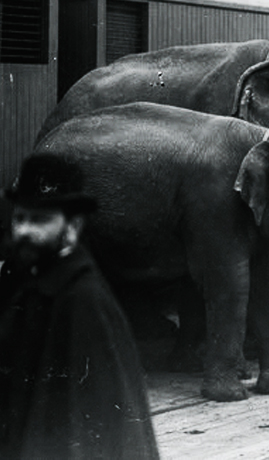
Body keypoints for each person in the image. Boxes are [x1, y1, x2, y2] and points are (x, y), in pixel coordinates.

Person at [0, 154, 160, 460]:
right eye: (20, 218)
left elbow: (94, 423)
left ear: (72, 226)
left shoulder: (83, 300)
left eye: (40, 220)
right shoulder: (27, 281)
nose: (24, 232)